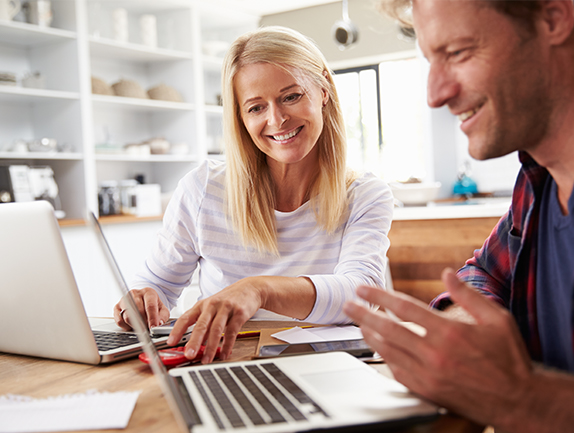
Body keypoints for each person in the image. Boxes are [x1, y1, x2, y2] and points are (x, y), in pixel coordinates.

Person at [344, 1, 574, 431]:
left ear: (553, 17)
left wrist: (519, 397)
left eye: (459, 52)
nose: (435, 95)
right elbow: (485, 274)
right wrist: (467, 334)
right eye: (432, 59)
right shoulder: (539, 181)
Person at [115, 26, 393, 364]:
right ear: (240, 118)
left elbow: (361, 295)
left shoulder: (365, 194)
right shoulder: (203, 188)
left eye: (291, 96)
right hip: (223, 364)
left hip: (330, 366)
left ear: (323, 89)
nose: (276, 119)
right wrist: (144, 299)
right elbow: (158, 284)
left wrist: (258, 290)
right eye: (256, 107)